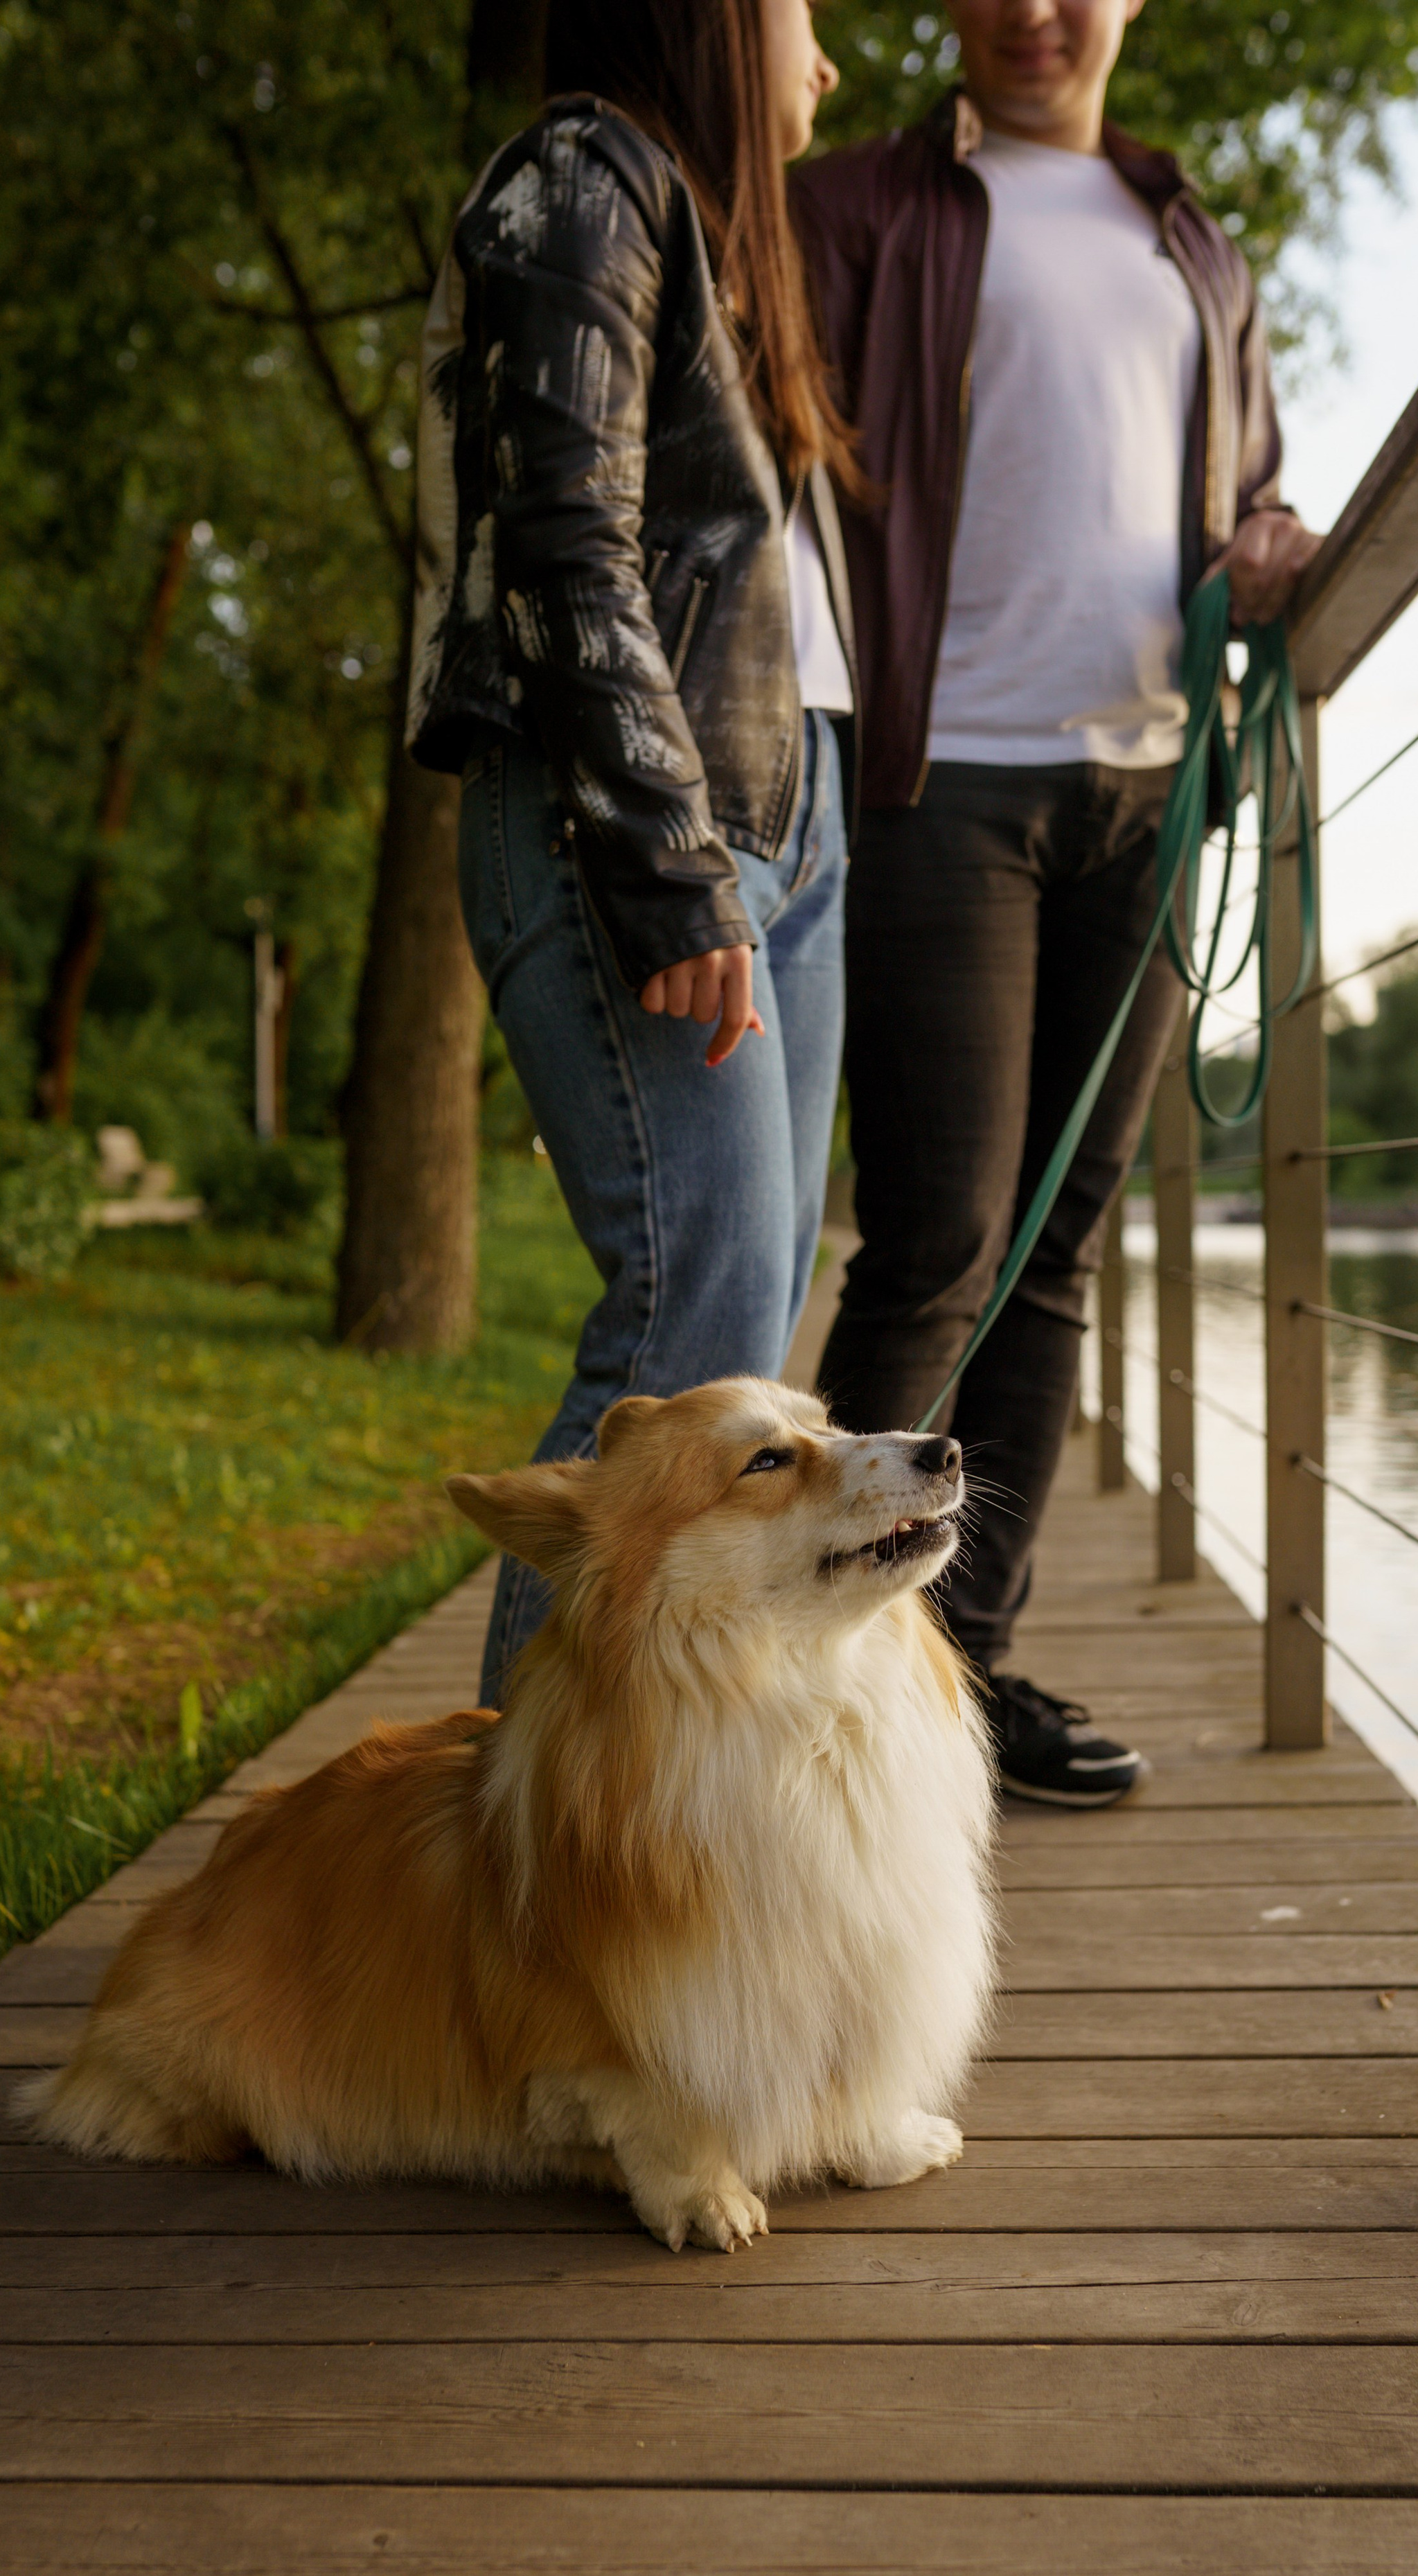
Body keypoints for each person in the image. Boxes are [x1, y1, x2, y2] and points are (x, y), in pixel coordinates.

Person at [790, 0, 1319, 1808]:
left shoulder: (1190, 240)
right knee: (942, 1243)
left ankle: (966, 1673)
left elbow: (1245, 489)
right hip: (944, 783)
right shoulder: (862, 204)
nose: (1034, 9)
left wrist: (1269, 538)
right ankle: (825, 1680)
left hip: (1148, 795)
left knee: (1059, 1254)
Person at [409, 0, 860, 1703]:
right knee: (696, 1321)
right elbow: (563, 540)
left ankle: (587, 1833)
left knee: (737, 1315)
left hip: (765, 809)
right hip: (644, 817)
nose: (829, 67)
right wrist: (668, 866)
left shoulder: (703, 236)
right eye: (810, 19)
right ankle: (508, 1858)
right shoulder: (585, 170)